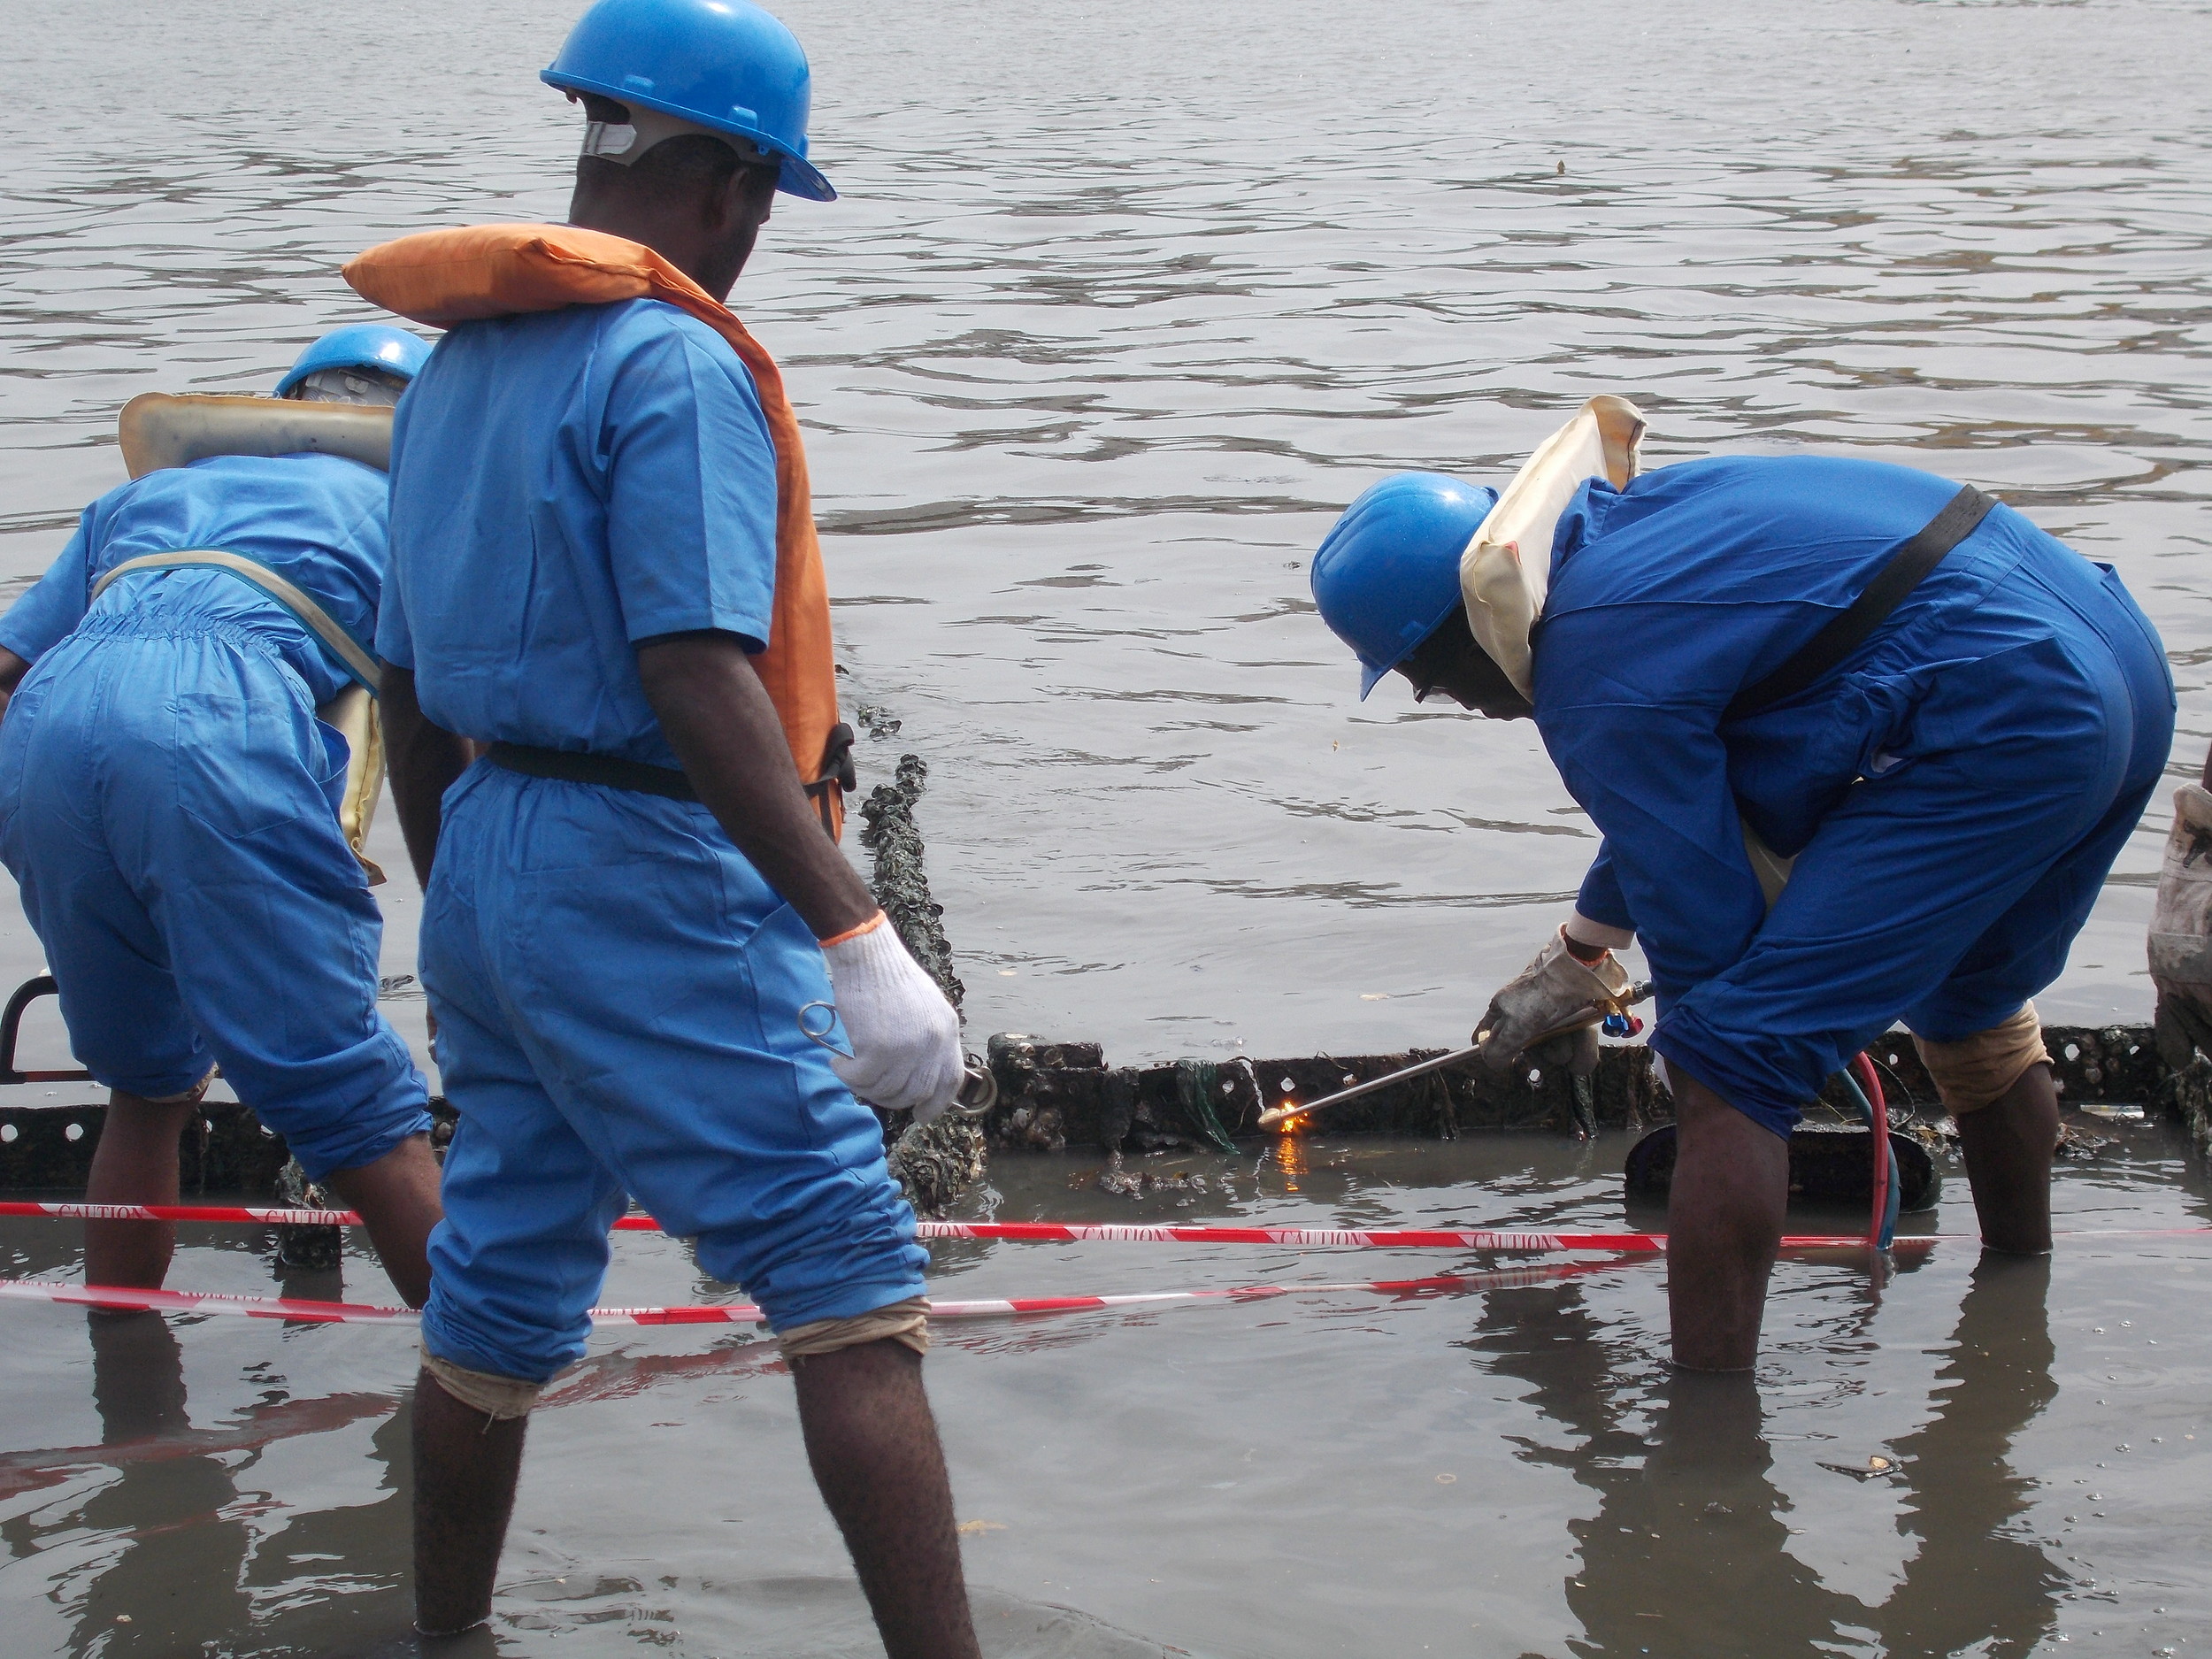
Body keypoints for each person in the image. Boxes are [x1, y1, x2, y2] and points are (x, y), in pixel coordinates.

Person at [349, 0, 980, 1646]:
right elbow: (698, 676)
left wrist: (471, 911)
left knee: (493, 1287)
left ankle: (449, 1637)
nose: (756, 234)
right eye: (763, 198)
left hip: (485, 845)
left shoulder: (457, 367)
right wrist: (855, 929)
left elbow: (410, 692)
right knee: (845, 1271)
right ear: (723, 186)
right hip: (645, 861)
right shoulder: (671, 359)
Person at [1309, 396, 2174, 1371]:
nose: (1455, 705)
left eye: (1427, 681)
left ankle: (1708, 1448)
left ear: (1458, 633)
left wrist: (1708, 1055)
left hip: (2013, 714)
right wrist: (1582, 953)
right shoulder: (1643, 528)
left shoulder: (1589, 668)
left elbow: (1706, 926)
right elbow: (1691, 796)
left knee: (1729, 1054)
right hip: (2117, 660)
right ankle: (2019, 1299)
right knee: (1971, 1001)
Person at [0, 325, 445, 1307]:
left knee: (147, 1089)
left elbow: (7, 672)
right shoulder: (423, 510)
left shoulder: (143, 498)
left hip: (45, 734)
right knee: (354, 1108)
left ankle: (128, 1372)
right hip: (214, 722)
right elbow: (454, 713)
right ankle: (493, 1382)